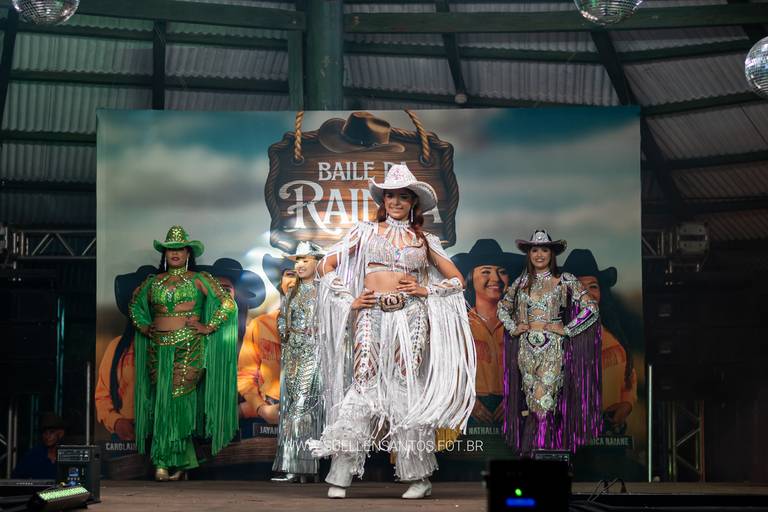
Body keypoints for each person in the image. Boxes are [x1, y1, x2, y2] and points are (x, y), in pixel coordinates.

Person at [309, 164, 476, 499]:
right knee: (364, 381)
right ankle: (340, 476)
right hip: (371, 312)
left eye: (403, 196)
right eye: (391, 196)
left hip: (411, 315)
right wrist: (349, 299)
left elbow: (458, 280)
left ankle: (418, 477)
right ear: (383, 200)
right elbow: (325, 265)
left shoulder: (425, 240)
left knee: (405, 384)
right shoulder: (365, 232)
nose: (396, 202)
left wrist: (427, 290)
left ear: (413, 202)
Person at [129, 226, 239, 481]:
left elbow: (226, 303)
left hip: (189, 347)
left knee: (178, 400)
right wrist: (144, 326)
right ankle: (182, 462)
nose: (175, 253)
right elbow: (134, 306)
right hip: (158, 349)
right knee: (162, 401)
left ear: (188, 252)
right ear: (165, 254)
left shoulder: (199, 279)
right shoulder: (153, 282)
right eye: (170, 249)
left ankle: (163, 463)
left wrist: (208, 326)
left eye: (180, 249)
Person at [498, 230, 601, 454]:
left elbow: (591, 308)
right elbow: (502, 307)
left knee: (544, 405)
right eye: (535, 250)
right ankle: (538, 454)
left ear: (552, 254)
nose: (539, 254)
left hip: (552, 350)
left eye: (544, 250)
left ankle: (542, 453)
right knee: (533, 406)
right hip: (526, 350)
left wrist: (567, 329)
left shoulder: (565, 280)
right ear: (529, 254)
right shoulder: (521, 282)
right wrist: (514, 327)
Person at [561, 249, 637, 435]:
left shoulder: (614, 340)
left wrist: (626, 404)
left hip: (608, 436)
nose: (587, 293)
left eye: (593, 286)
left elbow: (628, 381)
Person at [452, 240, 524, 428]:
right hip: (467, 410)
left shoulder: (520, 324)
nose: (496, 278)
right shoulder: (458, 324)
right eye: (486, 271)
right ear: (470, 278)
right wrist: (464, 400)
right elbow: (447, 369)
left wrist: (516, 397)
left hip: (513, 410)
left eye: (502, 272)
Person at [271, 241, 325, 483]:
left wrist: (318, 333)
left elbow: (338, 321)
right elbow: (283, 317)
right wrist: (287, 336)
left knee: (302, 407)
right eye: (298, 261)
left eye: (306, 260)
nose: (300, 265)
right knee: (293, 407)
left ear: (317, 262)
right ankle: (301, 467)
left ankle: (298, 466)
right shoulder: (292, 290)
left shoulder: (325, 290)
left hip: (314, 354)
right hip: (293, 355)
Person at [237, 265, 297, 424]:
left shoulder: (325, 327)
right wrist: (261, 409)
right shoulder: (260, 325)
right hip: (268, 410)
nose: (295, 281)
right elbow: (245, 375)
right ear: (281, 283)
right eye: (290, 274)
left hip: (313, 414)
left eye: (303, 275)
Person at [12, 412, 66, 479]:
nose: (47, 436)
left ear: (61, 433)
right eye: (44, 432)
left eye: (51, 432)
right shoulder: (33, 455)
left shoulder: (68, 455)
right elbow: (15, 478)